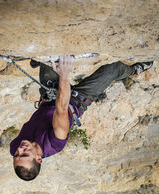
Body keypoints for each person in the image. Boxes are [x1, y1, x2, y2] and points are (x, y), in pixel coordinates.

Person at [10, 55, 153, 181]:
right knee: (113, 69)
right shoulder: (54, 143)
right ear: (39, 158)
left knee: (50, 56)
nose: (20, 150)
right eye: (24, 155)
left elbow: (18, 151)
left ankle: (39, 62)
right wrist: (64, 75)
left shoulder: (14, 147)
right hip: (76, 101)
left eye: (16, 155)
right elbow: (62, 108)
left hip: (49, 96)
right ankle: (134, 70)